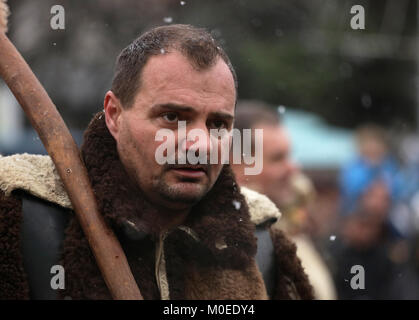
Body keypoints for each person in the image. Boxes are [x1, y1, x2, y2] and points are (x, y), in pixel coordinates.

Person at [0, 24, 313, 300]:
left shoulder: (261, 242)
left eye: (218, 125)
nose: (200, 144)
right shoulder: (21, 210)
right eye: (173, 117)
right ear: (114, 115)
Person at [232, 100, 336, 300]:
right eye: (278, 158)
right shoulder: (235, 247)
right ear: (238, 166)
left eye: (290, 155)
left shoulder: (289, 225)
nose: (293, 167)